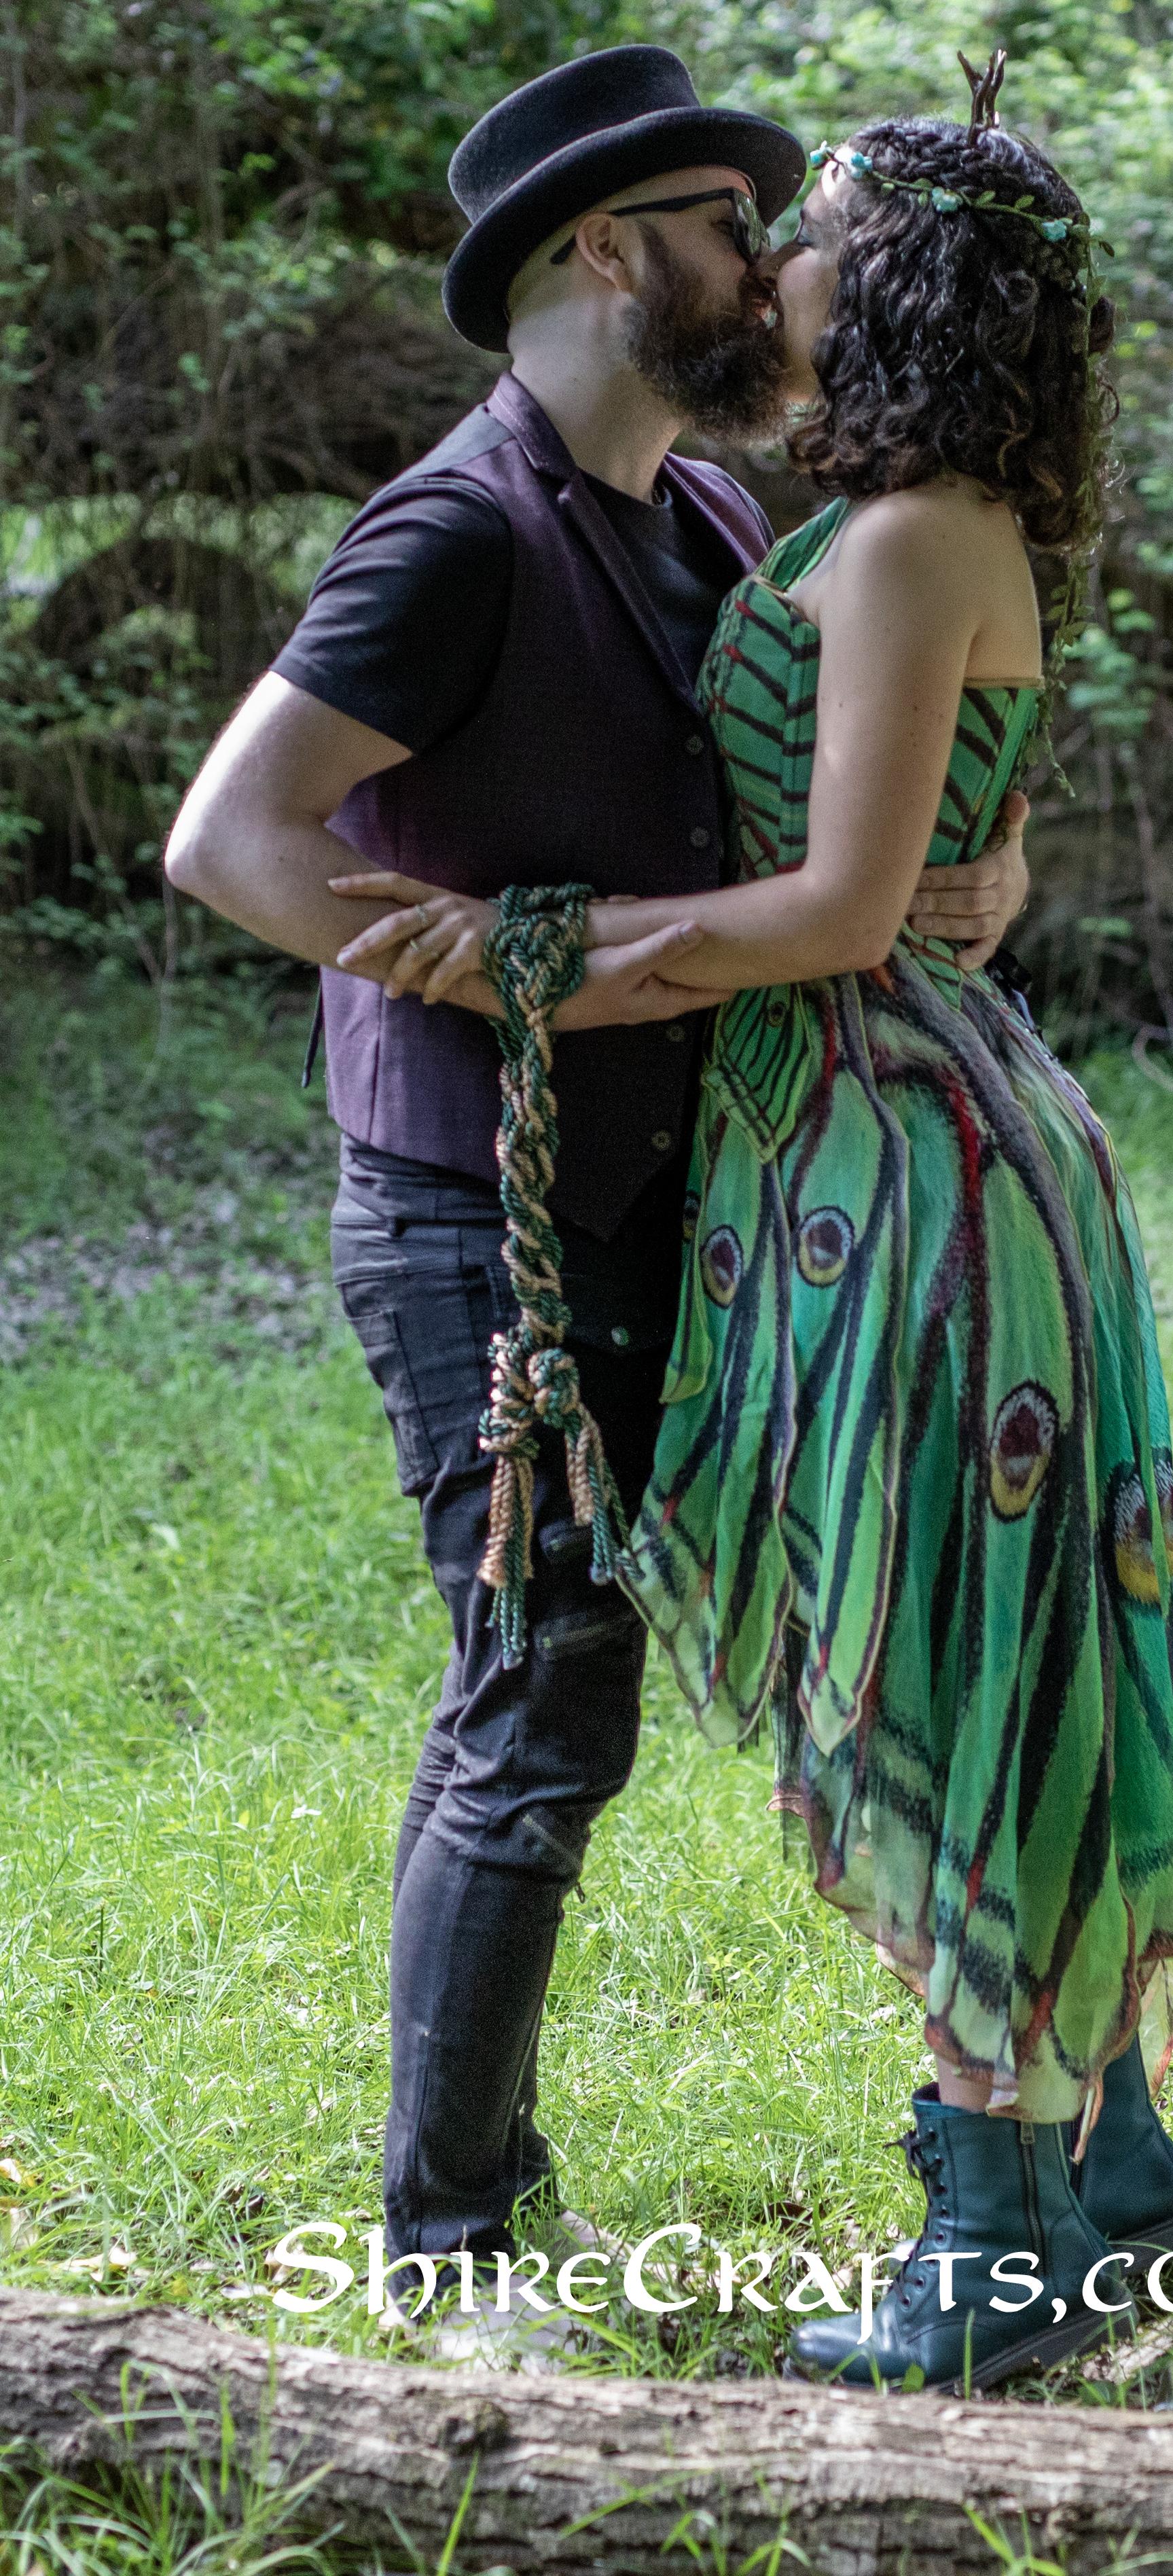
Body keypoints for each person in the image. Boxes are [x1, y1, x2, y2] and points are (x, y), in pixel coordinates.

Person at [344, 55, 1173, 2393]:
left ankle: (1002, 2237)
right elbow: (909, 853)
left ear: (890, 281)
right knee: (983, 1655)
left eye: (805, 225)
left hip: (901, 1156)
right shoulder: (824, 520)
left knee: (944, 1662)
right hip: (854, 1143)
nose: (775, 262)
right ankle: (1111, 2184)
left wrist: (530, 950)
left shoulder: (911, 531)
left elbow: (840, 911)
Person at [162, 45, 1030, 2363]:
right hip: (481, 1215)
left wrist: (954, 877)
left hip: (698, 1191)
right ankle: (445, 2259)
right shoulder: (457, 531)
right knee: (538, 1701)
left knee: (640, 1681)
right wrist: (468, 967)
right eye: (728, 228)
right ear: (596, 254)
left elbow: (826, 833)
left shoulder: (721, 527)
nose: (770, 268)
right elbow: (230, 843)